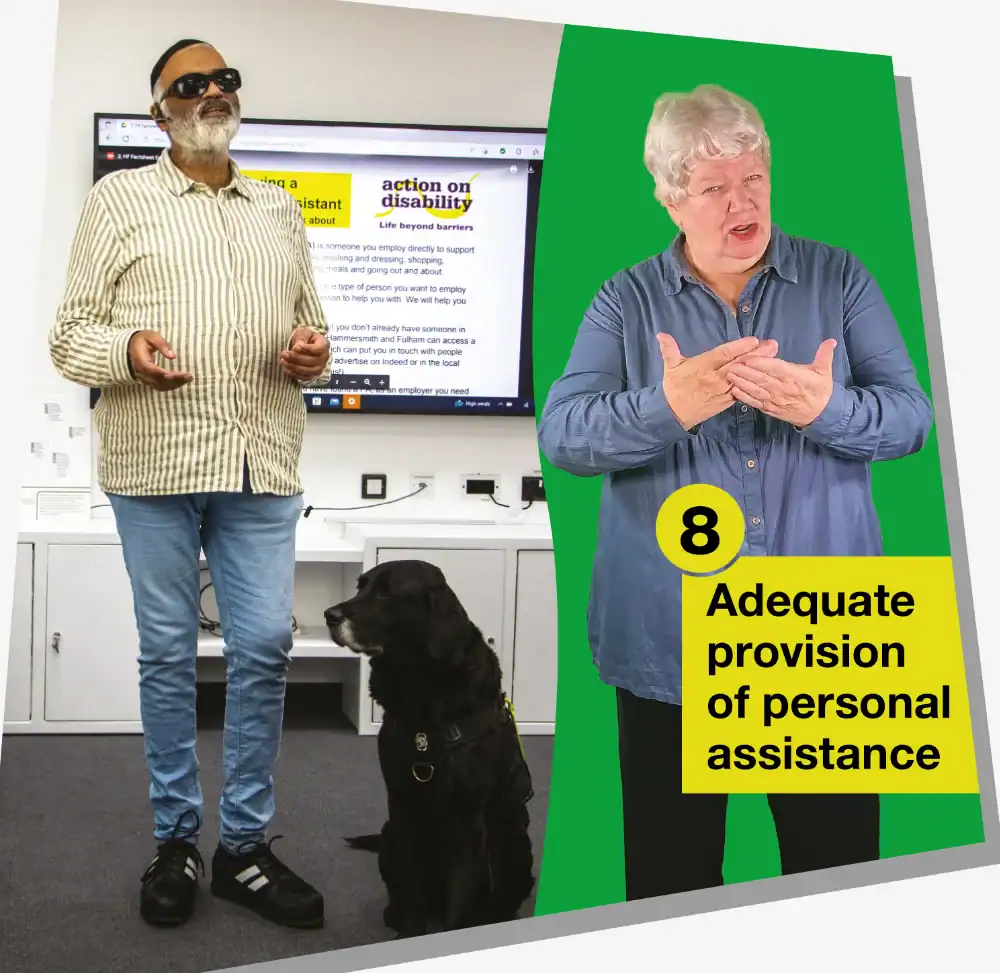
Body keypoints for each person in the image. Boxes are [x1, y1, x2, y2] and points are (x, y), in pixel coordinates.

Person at [536, 84, 933, 900]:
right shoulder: (625, 298)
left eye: (753, 179)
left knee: (839, 880)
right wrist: (667, 406)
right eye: (715, 188)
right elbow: (564, 435)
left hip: (825, 639)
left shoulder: (841, 277)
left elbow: (911, 419)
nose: (742, 203)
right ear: (671, 199)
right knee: (671, 885)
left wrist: (828, 408)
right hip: (669, 635)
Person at [48, 39, 332, 929]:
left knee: (264, 647)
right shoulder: (117, 200)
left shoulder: (280, 211)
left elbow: (313, 331)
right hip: (155, 464)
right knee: (168, 655)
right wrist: (126, 352)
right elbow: (69, 336)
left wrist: (312, 352)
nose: (212, 93)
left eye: (224, 81)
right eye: (189, 85)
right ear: (160, 112)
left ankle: (242, 848)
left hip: (260, 463)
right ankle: (176, 838)